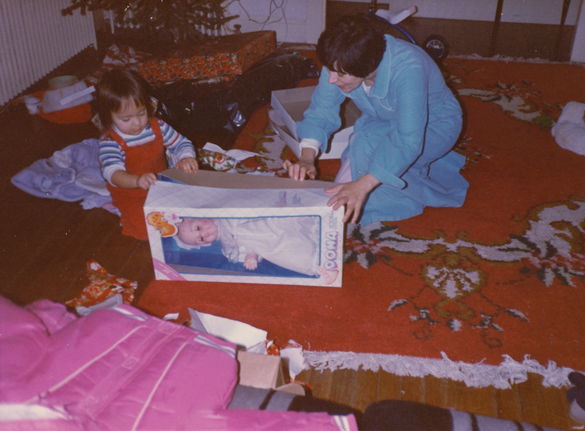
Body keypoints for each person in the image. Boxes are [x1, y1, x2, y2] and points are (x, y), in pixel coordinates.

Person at [284, 15, 468, 226]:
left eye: (340, 74)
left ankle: (341, 212)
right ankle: (343, 201)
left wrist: (363, 185)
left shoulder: (409, 68)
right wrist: (307, 157)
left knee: (371, 169)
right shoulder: (341, 60)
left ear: (368, 68)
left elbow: (408, 139)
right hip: (383, 117)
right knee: (363, 142)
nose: (332, 79)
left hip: (434, 125)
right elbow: (322, 109)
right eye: (330, 70)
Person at [96, 68, 198, 240]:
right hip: (131, 193)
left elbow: (181, 143)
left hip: (163, 184)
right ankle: (121, 213)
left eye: (141, 113)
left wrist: (185, 157)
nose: (136, 123)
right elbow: (113, 174)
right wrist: (137, 181)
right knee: (149, 231)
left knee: (190, 212)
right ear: (108, 116)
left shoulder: (157, 126)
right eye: (126, 119)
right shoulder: (110, 141)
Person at [175, 217, 321, 277]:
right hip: (265, 244)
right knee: (285, 253)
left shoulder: (225, 216)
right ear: (206, 244)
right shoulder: (226, 248)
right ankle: (316, 263)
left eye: (199, 227)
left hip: (268, 226)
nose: (205, 233)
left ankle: (314, 227)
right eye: (201, 239)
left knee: (293, 226)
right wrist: (250, 256)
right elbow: (240, 252)